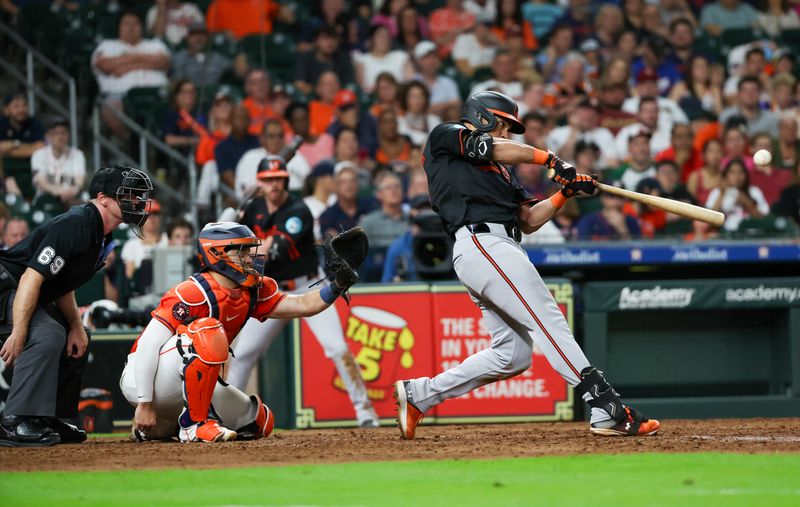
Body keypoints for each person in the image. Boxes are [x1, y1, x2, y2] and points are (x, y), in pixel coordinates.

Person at [393, 90, 660, 439]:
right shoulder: (447, 135)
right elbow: (492, 147)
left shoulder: (502, 173)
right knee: (547, 319)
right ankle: (605, 407)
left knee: (513, 355)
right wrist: (549, 158)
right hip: (480, 242)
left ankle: (420, 395)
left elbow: (529, 219)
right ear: (483, 117)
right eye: (503, 125)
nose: (505, 134)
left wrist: (565, 192)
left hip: (498, 247)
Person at [120, 220, 360, 442]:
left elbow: (302, 305)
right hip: (144, 379)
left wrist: (337, 285)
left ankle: (166, 425)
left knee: (259, 422)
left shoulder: (252, 290)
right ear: (217, 254)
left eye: (249, 251)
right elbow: (147, 346)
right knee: (207, 330)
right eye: (241, 251)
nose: (249, 258)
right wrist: (145, 402)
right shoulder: (190, 292)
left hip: (184, 385)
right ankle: (193, 425)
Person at [0, 165, 153, 447]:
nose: (136, 202)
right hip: (9, 286)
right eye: (128, 196)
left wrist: (75, 325)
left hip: (24, 291)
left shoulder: (101, 235)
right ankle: (15, 420)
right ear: (103, 198)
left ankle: (51, 417)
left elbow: (62, 283)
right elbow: (31, 278)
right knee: (47, 334)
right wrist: (20, 331)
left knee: (76, 336)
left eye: (137, 196)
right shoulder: (77, 223)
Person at [227, 157, 379, 427]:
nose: (275, 184)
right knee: (243, 354)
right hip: (271, 292)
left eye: (279, 178)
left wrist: (234, 243)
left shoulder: (299, 209)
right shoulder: (252, 208)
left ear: (286, 180)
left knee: (337, 348)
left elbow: (275, 249)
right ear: (259, 181)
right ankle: (226, 417)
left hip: (307, 286)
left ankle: (366, 413)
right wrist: (229, 225)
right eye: (269, 179)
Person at [91, 12, 171, 141]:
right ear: (119, 27)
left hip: (158, 94)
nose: (131, 27)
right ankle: (129, 143)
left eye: (135, 24)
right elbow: (106, 66)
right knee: (110, 106)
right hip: (120, 95)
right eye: (126, 24)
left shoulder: (155, 44)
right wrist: (143, 58)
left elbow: (163, 62)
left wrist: (126, 61)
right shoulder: (107, 45)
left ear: (142, 27)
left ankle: (161, 143)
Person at [30, 118, 86, 210]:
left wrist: (69, 193)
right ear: (48, 136)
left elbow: (79, 183)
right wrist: (59, 192)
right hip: (46, 198)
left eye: (63, 133)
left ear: (68, 135)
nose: (60, 137)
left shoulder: (77, 154)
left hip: (71, 198)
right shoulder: (39, 155)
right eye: (56, 133)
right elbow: (41, 182)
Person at [706, 158, 770, 232]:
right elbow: (709, 222)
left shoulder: (754, 191)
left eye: (740, 172)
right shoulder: (717, 192)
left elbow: (765, 219)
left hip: (751, 236)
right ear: (726, 175)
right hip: (725, 236)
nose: (737, 176)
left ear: (746, 175)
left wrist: (747, 204)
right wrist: (722, 193)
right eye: (732, 172)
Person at [0, 93, 45, 199]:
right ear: (6, 110)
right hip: (7, 171)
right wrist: (28, 147)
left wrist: (13, 146)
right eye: (16, 106)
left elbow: (41, 147)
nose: (21, 109)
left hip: (30, 170)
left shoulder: (34, 123)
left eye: (24, 105)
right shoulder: (1, 123)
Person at [170, 21, 232, 89]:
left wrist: (231, 39)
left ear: (208, 37)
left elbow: (237, 70)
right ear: (187, 38)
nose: (199, 38)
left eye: (202, 34)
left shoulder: (218, 59)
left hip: (213, 97)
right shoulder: (178, 58)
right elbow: (175, 84)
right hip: (188, 96)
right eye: (194, 34)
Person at [359, 171, 408, 248]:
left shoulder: (412, 221)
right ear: (379, 194)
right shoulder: (368, 222)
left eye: (397, 186)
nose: (393, 190)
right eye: (388, 187)